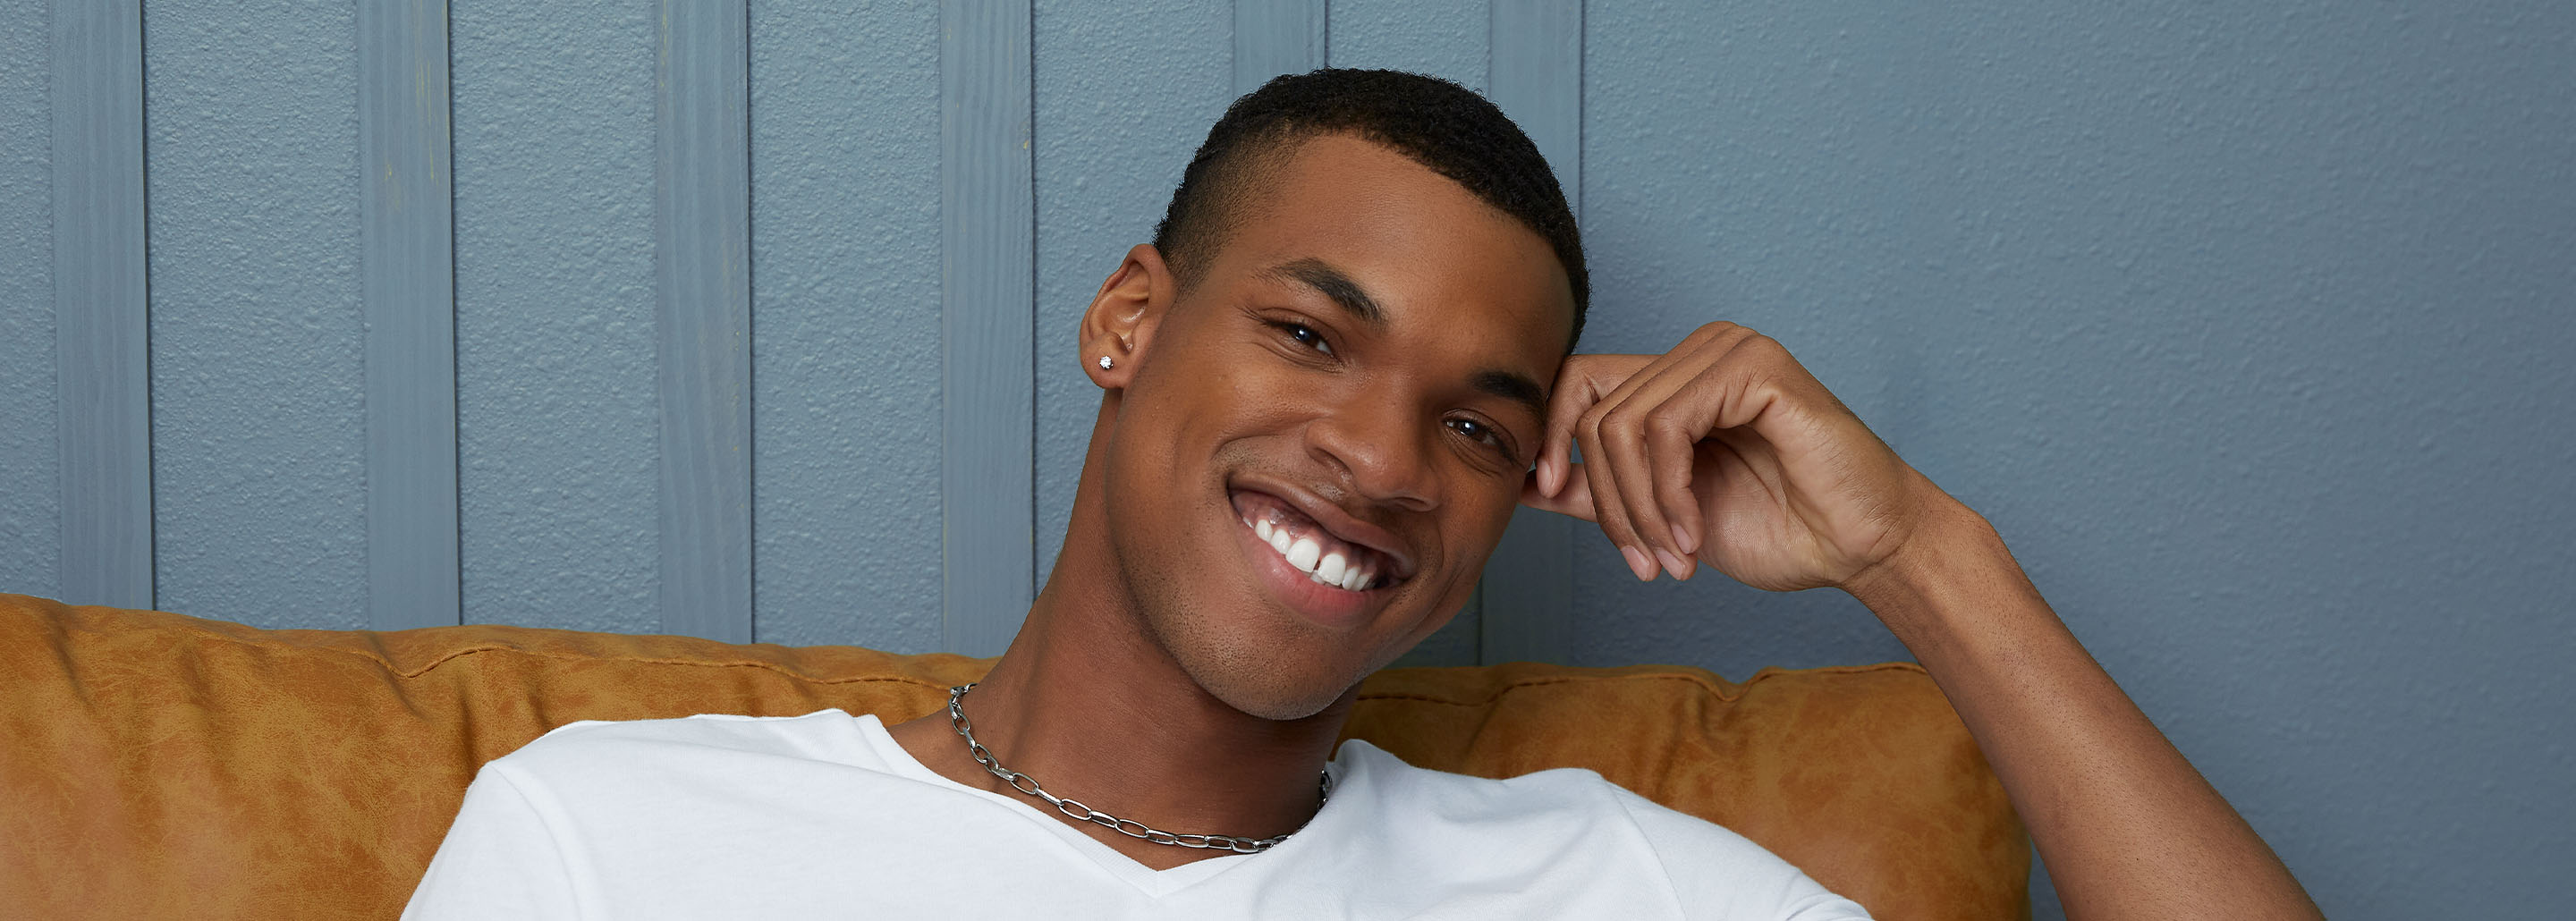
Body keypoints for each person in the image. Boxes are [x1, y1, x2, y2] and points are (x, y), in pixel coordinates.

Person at [404, 69, 2320, 919]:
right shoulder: (612, 842)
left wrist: (1925, 552)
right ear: (1128, 319)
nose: (1386, 462)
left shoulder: (1617, 887)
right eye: (1315, 337)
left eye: (1481, 425)